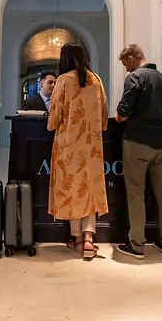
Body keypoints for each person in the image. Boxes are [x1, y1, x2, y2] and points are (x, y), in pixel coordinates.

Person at [47, 43, 108, 259]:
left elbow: (54, 118)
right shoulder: (96, 80)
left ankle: (78, 238)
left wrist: (53, 123)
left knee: (73, 187)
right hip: (92, 145)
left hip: (69, 145)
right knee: (90, 187)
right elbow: (104, 116)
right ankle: (89, 236)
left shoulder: (64, 80)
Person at [115, 44, 162, 260]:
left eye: (125, 64)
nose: (126, 69)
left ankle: (137, 245)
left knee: (136, 193)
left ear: (131, 58)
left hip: (138, 142)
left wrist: (120, 115)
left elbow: (122, 113)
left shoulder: (135, 78)